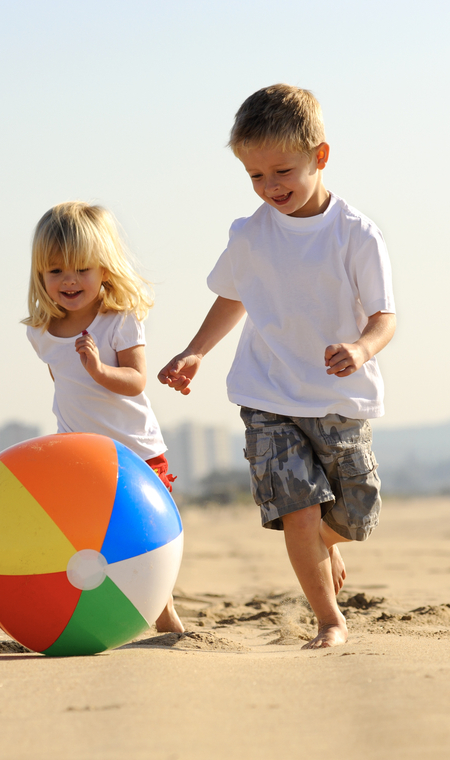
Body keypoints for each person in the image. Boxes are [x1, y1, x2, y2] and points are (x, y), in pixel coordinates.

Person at [158, 84, 396, 649]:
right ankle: (329, 619)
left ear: (320, 155)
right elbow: (233, 296)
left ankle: (325, 542)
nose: (270, 188)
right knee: (298, 511)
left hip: (339, 397)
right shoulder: (251, 234)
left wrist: (360, 349)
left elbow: (385, 317)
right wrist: (195, 350)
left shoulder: (356, 235)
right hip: (267, 395)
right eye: (255, 177)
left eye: (282, 171)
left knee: (358, 511)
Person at [24, 201, 183, 634]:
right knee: (90, 540)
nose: (69, 280)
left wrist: (98, 369)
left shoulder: (118, 320)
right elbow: (64, 389)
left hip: (136, 450)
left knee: (145, 537)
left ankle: (164, 611)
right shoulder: (40, 333)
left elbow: (135, 380)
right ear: (41, 276)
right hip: (81, 455)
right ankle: (93, 610)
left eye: (81, 269)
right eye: (55, 271)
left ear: (105, 270)